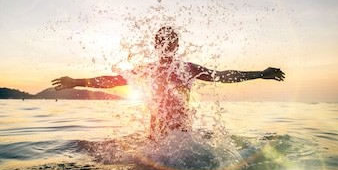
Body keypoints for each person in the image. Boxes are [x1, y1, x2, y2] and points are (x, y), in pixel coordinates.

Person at [52, 26, 285, 139]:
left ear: (167, 46)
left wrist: (260, 73)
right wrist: (76, 81)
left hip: (165, 143)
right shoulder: (175, 69)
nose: (167, 46)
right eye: (166, 42)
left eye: (168, 42)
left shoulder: (175, 69)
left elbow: (223, 75)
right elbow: (112, 81)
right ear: (168, 45)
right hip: (176, 142)